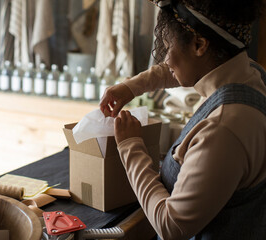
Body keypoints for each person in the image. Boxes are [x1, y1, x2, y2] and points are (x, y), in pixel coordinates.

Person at [99, 0, 266, 239]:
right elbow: (180, 68)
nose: (166, 59)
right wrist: (131, 87)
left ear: (199, 44)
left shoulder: (224, 128)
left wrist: (131, 147)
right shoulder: (249, 74)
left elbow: (171, 226)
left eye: (169, 48)